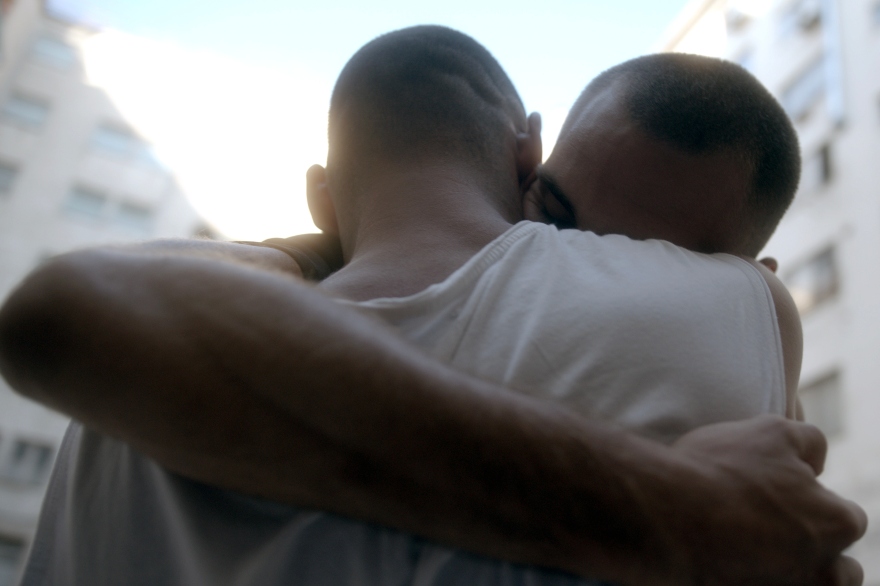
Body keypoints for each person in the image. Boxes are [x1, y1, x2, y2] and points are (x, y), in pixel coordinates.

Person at [0, 26, 865, 586]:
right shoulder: (740, 321)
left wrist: (307, 246)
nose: (571, 255)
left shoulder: (132, 375)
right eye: (556, 210)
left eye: (655, 259)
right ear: (527, 156)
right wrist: (682, 507)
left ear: (743, 273)